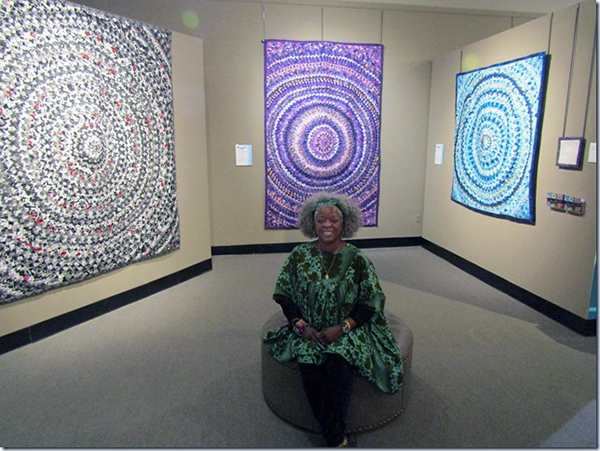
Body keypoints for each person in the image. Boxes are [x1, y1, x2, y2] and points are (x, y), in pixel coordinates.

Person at [263, 192, 404, 447]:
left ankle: (332, 436)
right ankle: (337, 437)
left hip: (348, 329)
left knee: (339, 364)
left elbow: (370, 302)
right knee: (309, 366)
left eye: (334, 220)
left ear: (345, 224)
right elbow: (285, 295)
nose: (327, 225)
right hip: (309, 329)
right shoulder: (298, 255)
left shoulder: (358, 260)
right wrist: (301, 326)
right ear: (312, 223)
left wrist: (343, 327)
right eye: (321, 220)